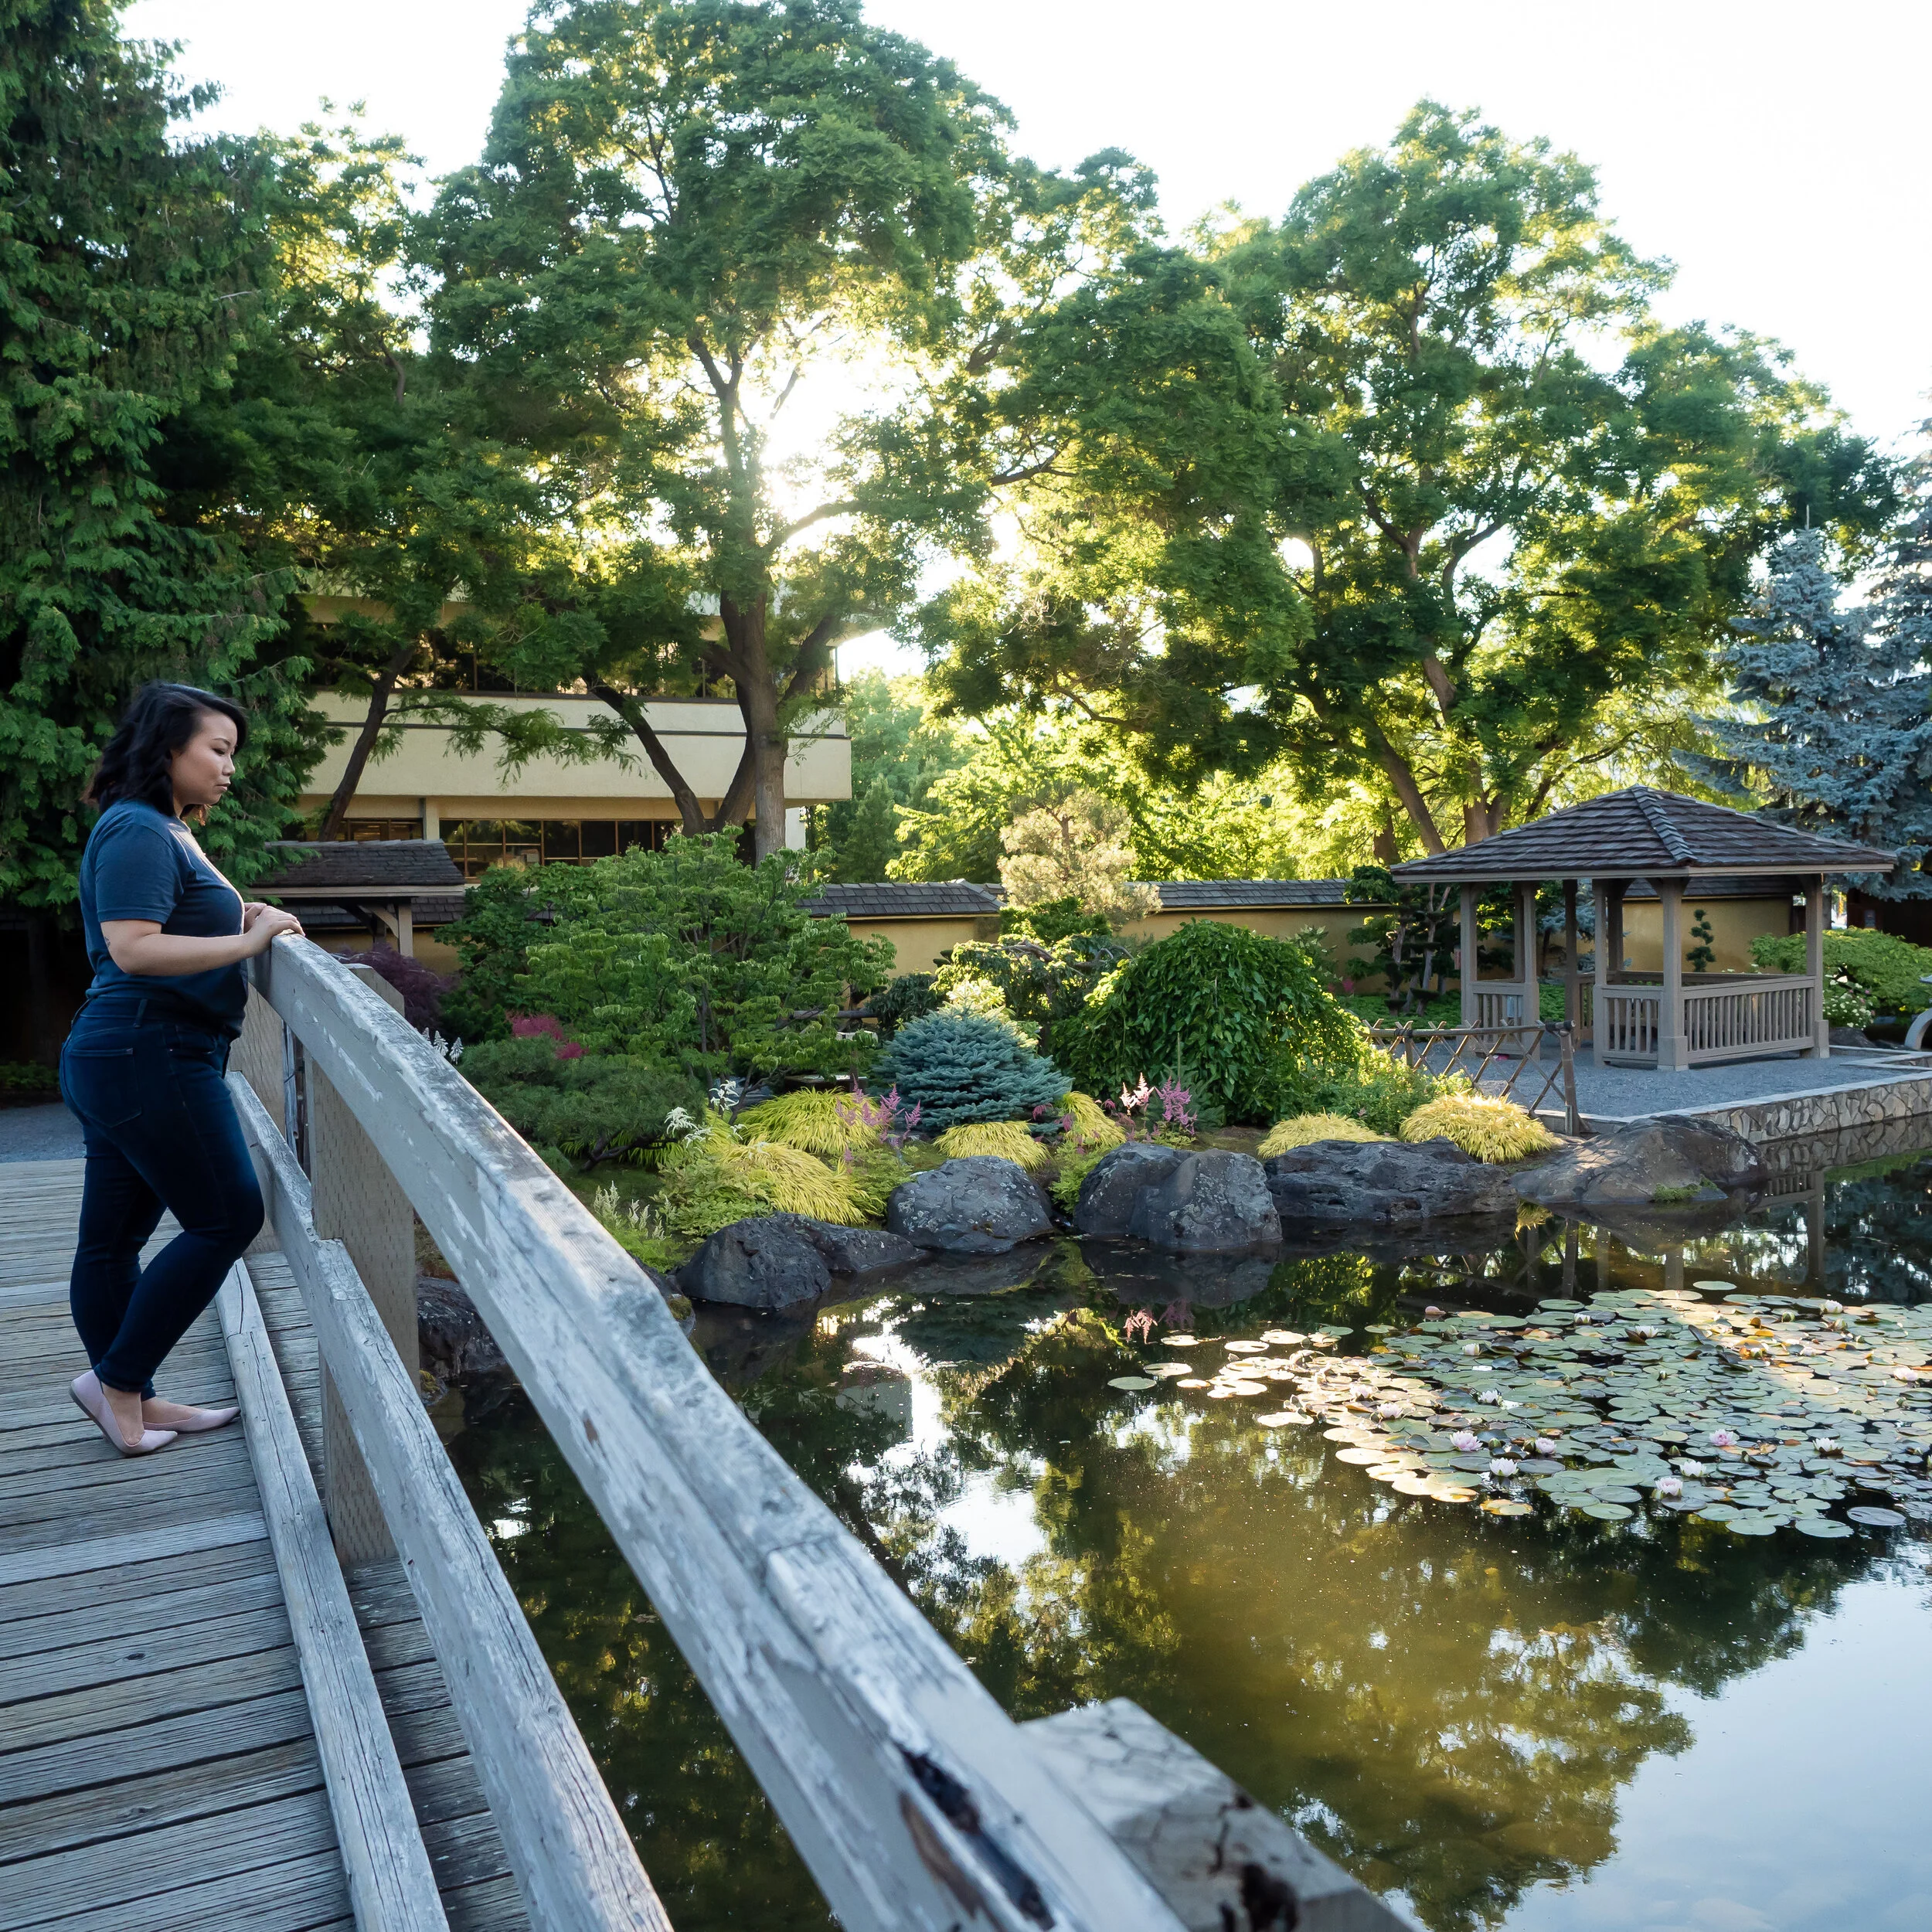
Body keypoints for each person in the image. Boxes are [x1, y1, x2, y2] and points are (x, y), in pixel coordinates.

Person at [59, 682, 305, 1456]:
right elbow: (135, 946)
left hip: (128, 1051)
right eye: (218, 749)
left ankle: (129, 1395)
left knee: (112, 1238)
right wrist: (248, 942)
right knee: (226, 1215)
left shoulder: (157, 828)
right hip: (149, 1050)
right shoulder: (137, 829)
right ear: (168, 747)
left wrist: (242, 917)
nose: (229, 768)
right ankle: (120, 1383)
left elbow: (174, 921)